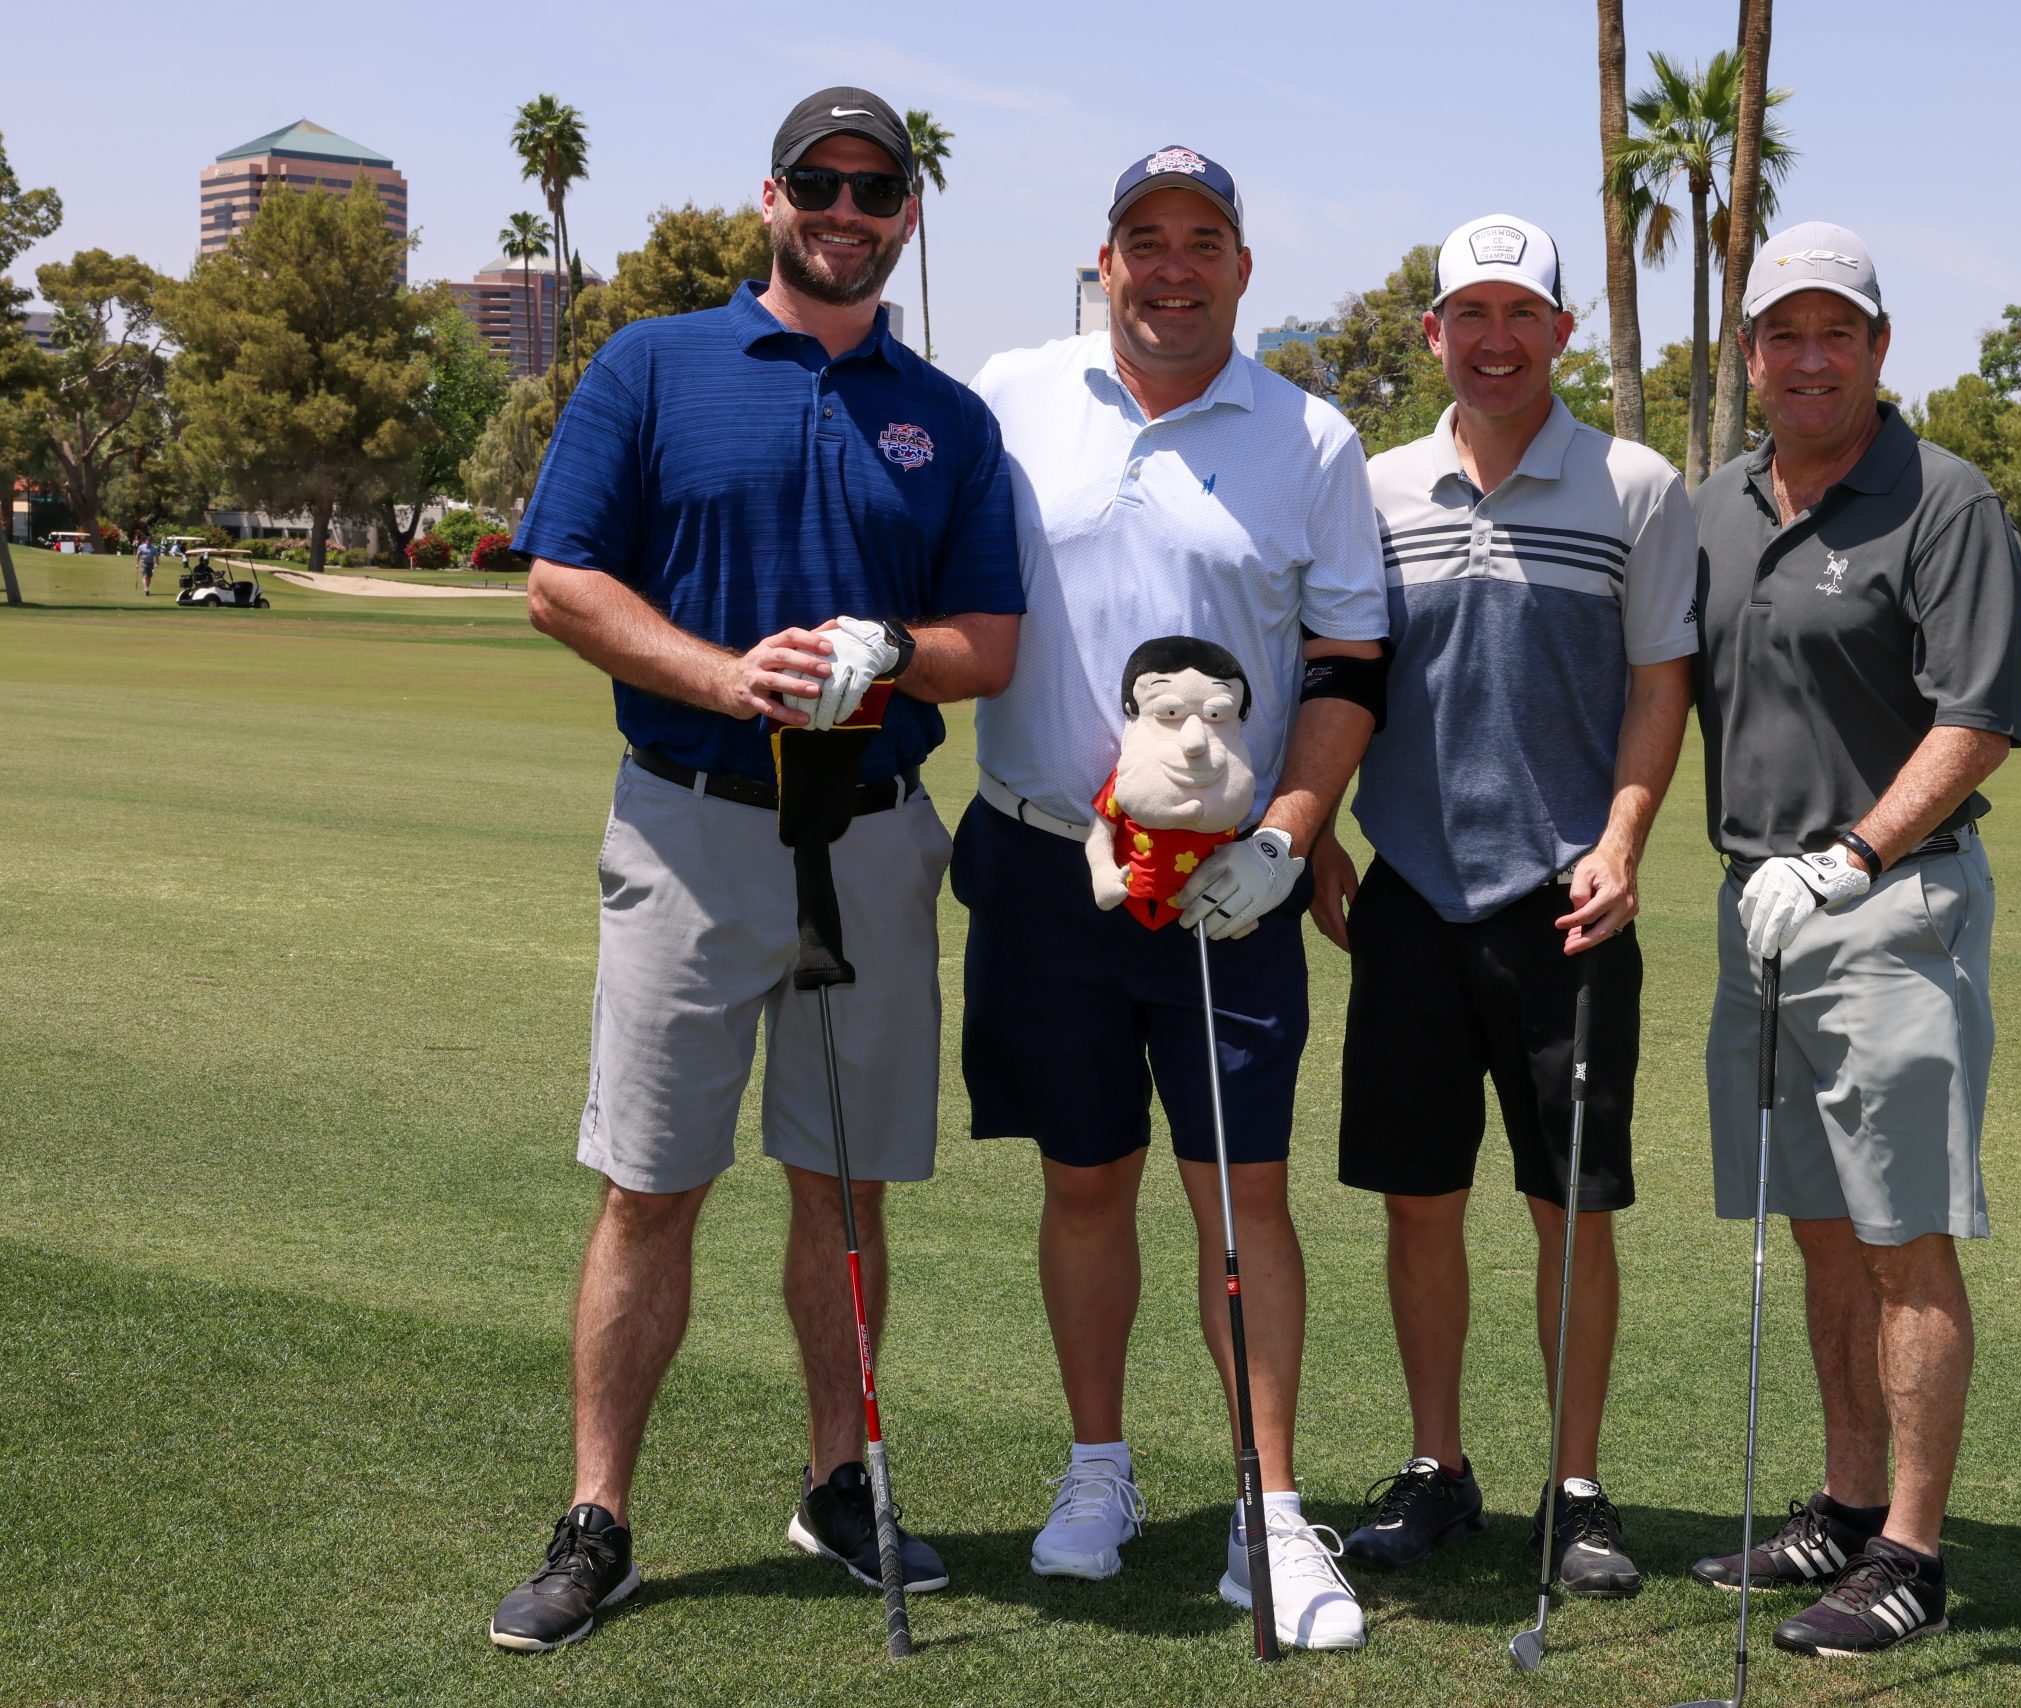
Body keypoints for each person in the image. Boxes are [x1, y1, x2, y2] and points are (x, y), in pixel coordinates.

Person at [485, 85, 1022, 1654]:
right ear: (770, 195)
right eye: (819, 183)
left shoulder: (949, 418)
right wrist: (729, 677)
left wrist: (886, 650)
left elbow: (986, 643)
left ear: (907, 214)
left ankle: (839, 1481)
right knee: (651, 1184)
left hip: (869, 836)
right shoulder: (654, 364)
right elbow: (562, 585)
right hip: (690, 825)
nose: (846, 212)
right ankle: (599, 1520)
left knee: (844, 1187)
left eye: (876, 190)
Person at [963, 144, 1387, 1652]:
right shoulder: (1013, 396)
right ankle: (1099, 1472)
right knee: (1083, 1180)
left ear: (1242, 269)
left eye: (1203, 238)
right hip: (1040, 861)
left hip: (1232, 884)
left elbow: (1346, 662)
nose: (1172, 264)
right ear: (1108, 260)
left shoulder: (1310, 436)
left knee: (1240, 1194)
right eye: (1145, 236)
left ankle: (1269, 1513)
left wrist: (1290, 828)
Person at [1308, 214, 1694, 1599]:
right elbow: (1339, 670)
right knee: (1419, 1203)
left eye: (1519, 312)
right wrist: (1316, 839)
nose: (1494, 338)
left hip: (1568, 902)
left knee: (1569, 1207)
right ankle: (1437, 1466)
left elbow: (1662, 683)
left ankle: (1576, 1486)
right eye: (1468, 313)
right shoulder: (1373, 484)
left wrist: (1627, 836)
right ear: (1434, 336)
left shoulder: (1635, 485)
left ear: (1561, 332)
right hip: (1408, 888)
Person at [1686, 222, 2021, 1657]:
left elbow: (1978, 720)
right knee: (1820, 1227)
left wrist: (1849, 856)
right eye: (1784, 333)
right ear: (1750, 353)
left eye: (1839, 332)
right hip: (1756, 912)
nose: (1809, 358)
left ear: (1881, 350)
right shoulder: (1716, 506)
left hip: (1890, 906)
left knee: (1905, 1242)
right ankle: (1838, 1502)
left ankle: (1912, 1549)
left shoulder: (1943, 502)